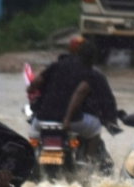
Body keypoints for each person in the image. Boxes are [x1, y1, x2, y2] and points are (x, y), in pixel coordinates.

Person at [26, 39, 119, 167]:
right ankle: (87, 163)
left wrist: (30, 89)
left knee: (33, 134)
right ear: (93, 57)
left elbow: (35, 83)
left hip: (43, 118)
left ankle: (30, 161)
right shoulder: (90, 73)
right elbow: (80, 94)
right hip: (71, 122)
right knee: (95, 128)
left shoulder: (56, 65)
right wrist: (67, 119)